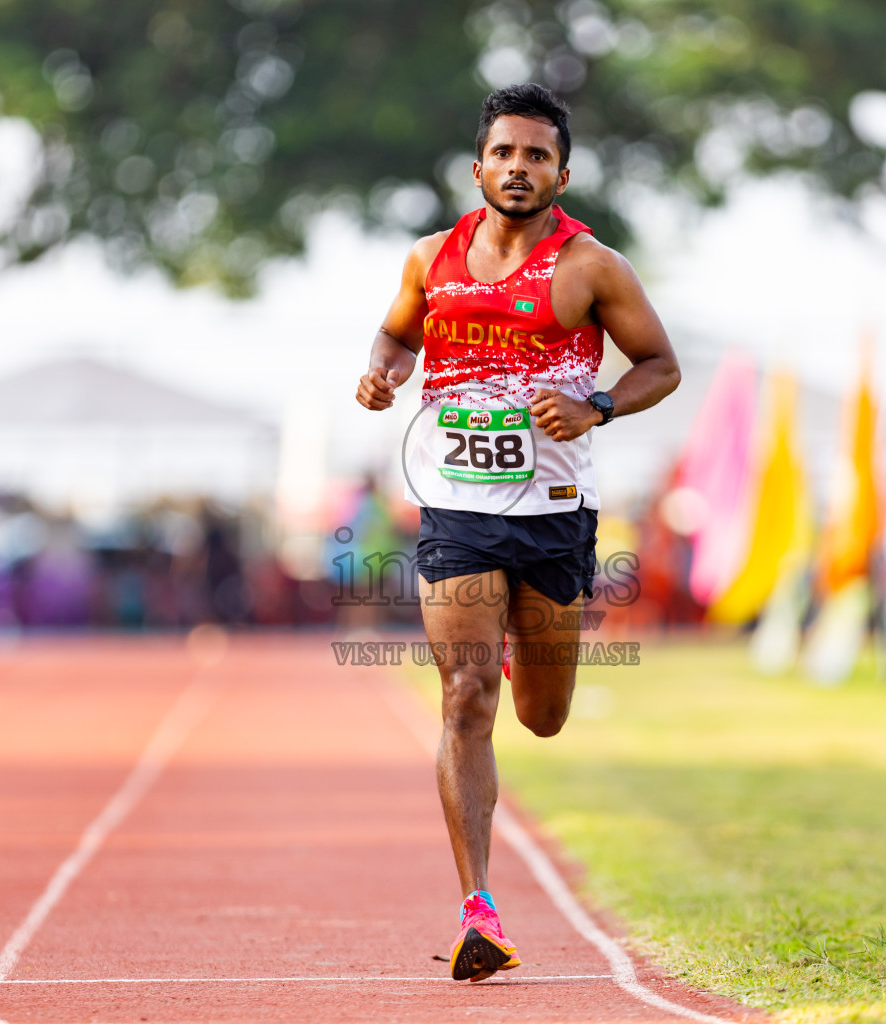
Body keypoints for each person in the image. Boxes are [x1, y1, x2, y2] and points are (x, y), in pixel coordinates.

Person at [355, 84, 680, 981]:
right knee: (465, 698)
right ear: (480, 166)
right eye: (505, 152)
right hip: (456, 511)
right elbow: (394, 339)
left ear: (561, 174)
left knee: (540, 716)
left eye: (537, 156)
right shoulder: (432, 258)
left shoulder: (592, 267)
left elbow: (662, 363)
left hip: (554, 522)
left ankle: (515, 647)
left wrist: (598, 404)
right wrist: (381, 375)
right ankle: (480, 912)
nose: (519, 168)